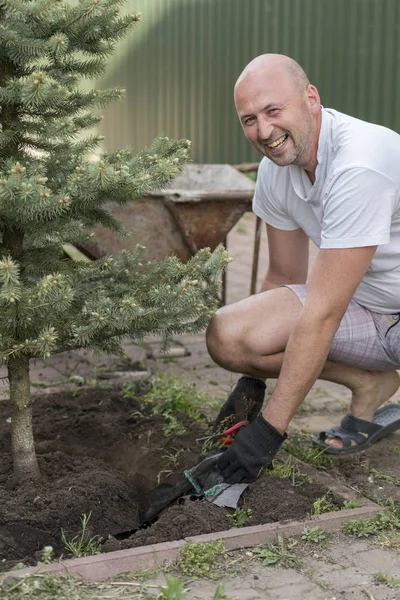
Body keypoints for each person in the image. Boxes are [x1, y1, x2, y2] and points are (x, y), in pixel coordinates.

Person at [206, 53, 400, 485]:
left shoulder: (360, 163)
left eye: (274, 111)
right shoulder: (277, 170)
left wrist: (268, 430)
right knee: (230, 334)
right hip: (369, 312)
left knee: (317, 318)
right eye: (250, 119)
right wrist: (251, 382)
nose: (264, 131)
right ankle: (371, 384)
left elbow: (323, 313)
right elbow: (284, 278)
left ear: (311, 98)